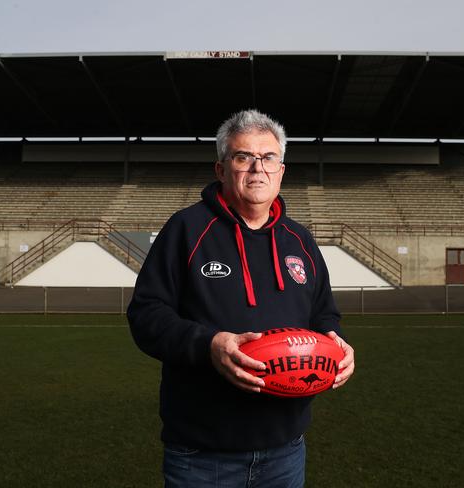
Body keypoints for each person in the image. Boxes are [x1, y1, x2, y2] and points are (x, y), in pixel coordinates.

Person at [127, 109, 355, 488]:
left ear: (281, 170)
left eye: (268, 158)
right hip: (202, 455)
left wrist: (336, 346)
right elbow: (145, 315)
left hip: (286, 450)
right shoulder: (186, 229)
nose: (257, 169)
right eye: (242, 157)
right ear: (220, 169)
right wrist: (208, 345)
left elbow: (324, 314)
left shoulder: (301, 240)